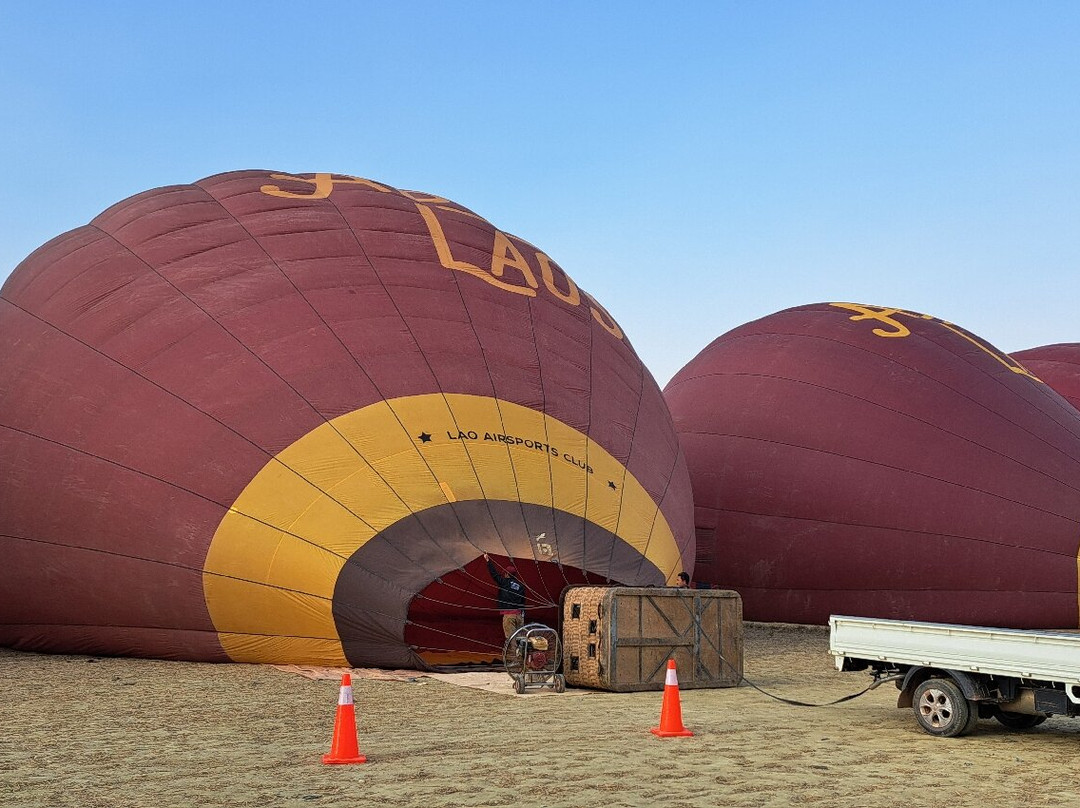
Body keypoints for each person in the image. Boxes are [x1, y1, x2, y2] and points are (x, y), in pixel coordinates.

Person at [484, 553, 526, 642]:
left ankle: (512, 655)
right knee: (520, 639)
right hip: (519, 615)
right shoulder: (521, 586)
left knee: (511, 639)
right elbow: (523, 601)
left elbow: (494, 574)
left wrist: (488, 561)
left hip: (509, 615)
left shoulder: (504, 582)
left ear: (507, 574)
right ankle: (520, 655)